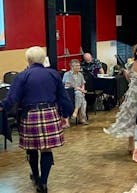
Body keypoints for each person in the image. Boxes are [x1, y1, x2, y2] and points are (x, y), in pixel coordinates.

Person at [0, 46, 73, 193]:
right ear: (43, 59)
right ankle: (43, 183)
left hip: (30, 115)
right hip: (50, 113)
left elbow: (12, 98)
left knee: (31, 148)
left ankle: (36, 176)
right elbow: (63, 97)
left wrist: (2, 107)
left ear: (28, 60)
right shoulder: (54, 74)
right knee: (46, 150)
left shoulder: (22, 75)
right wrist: (66, 114)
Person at [103, 43, 137, 152]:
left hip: (133, 94)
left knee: (131, 119)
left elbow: (129, 78)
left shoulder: (131, 64)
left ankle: (131, 145)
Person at [62, 59, 88, 126]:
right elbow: (67, 84)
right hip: (70, 92)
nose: (78, 67)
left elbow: (83, 84)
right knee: (79, 95)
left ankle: (76, 112)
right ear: (71, 67)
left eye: (79, 65)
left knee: (80, 96)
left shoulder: (80, 74)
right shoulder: (67, 74)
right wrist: (77, 88)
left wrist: (82, 90)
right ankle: (81, 118)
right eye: (76, 66)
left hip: (79, 92)